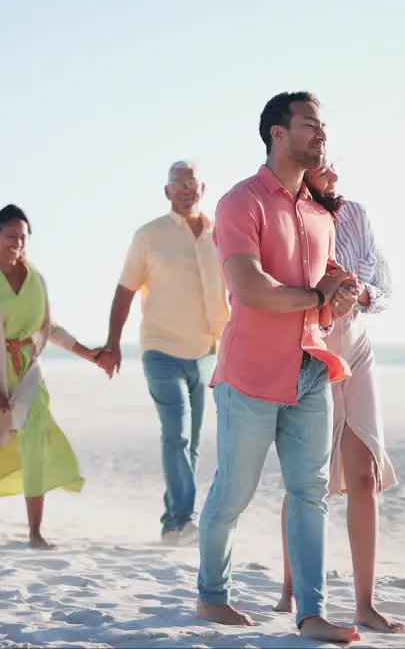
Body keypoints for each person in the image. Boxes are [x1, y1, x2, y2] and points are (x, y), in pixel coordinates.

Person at [195, 91, 362, 643]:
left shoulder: (319, 213)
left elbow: (326, 280)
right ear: (277, 133)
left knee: (310, 491)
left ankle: (310, 612)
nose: (321, 136)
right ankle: (212, 597)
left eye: (323, 127)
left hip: (311, 370)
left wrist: (339, 293)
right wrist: (316, 296)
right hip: (249, 376)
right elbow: (250, 289)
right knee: (233, 493)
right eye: (310, 125)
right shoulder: (240, 203)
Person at [273, 163, 403, 633]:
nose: (330, 168)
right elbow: (283, 286)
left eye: (330, 159)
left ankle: (365, 604)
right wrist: (327, 295)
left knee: (363, 475)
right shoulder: (290, 218)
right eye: (319, 162)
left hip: (359, 345)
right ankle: (291, 585)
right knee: (309, 479)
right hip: (313, 345)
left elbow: (384, 286)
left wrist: (359, 291)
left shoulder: (356, 215)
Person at [99, 159, 230, 546]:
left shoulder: (219, 233)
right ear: (167, 191)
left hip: (207, 350)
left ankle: (173, 524)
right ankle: (184, 519)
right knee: (175, 433)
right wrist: (112, 343)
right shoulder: (149, 235)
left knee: (190, 439)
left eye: (194, 184)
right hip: (160, 348)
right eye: (179, 184)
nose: (187, 190)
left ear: (203, 190)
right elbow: (125, 290)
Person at [0, 204, 104, 548]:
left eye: (22, 237)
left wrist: (87, 352)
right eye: (10, 236)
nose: (17, 243)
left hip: (28, 374)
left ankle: (35, 532)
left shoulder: (36, 278)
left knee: (35, 443)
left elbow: (48, 327)